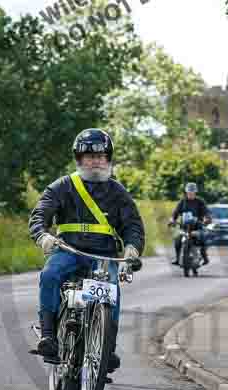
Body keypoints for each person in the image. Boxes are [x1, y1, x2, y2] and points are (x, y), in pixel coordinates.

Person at [28, 128, 145, 373]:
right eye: (89, 156)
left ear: (108, 159)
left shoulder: (118, 192)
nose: (95, 161)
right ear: (79, 159)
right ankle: (48, 336)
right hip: (67, 251)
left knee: (111, 290)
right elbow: (40, 213)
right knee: (49, 275)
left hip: (103, 257)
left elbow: (133, 225)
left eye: (101, 156)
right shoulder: (64, 186)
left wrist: (132, 250)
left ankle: (107, 349)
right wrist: (43, 235)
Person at [168, 182, 211, 266]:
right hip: (184, 228)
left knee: (203, 239)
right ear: (186, 192)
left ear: (195, 192)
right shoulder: (182, 202)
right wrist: (172, 220)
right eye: (189, 192)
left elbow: (206, 212)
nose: (190, 194)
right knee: (177, 240)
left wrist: (207, 219)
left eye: (192, 192)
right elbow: (175, 213)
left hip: (197, 227)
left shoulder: (200, 202)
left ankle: (204, 257)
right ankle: (177, 258)